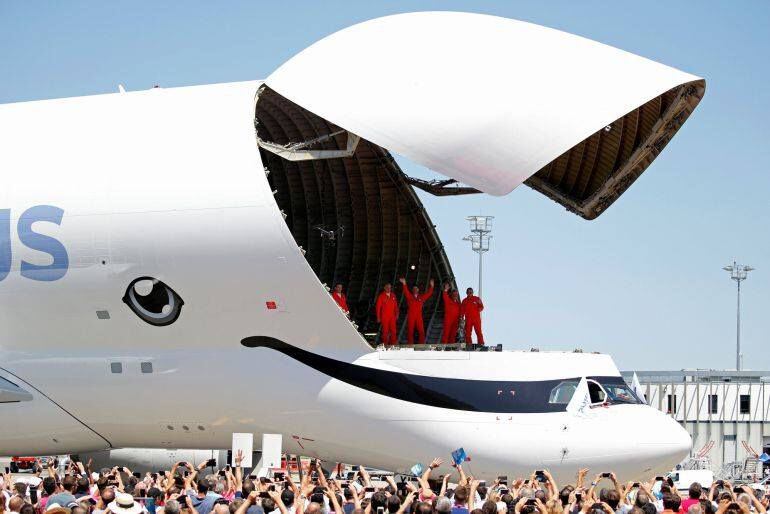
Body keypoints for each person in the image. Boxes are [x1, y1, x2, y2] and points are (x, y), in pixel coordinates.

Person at [399, 278, 434, 344]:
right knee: (410, 331)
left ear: (418, 290)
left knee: (421, 331)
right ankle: (410, 345)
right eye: (414, 289)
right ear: (412, 290)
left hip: (419, 316)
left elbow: (429, 294)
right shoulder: (410, 296)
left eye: (416, 288)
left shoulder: (421, 297)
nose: (415, 290)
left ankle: (422, 344)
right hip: (411, 316)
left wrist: (432, 286)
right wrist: (404, 283)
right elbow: (406, 291)